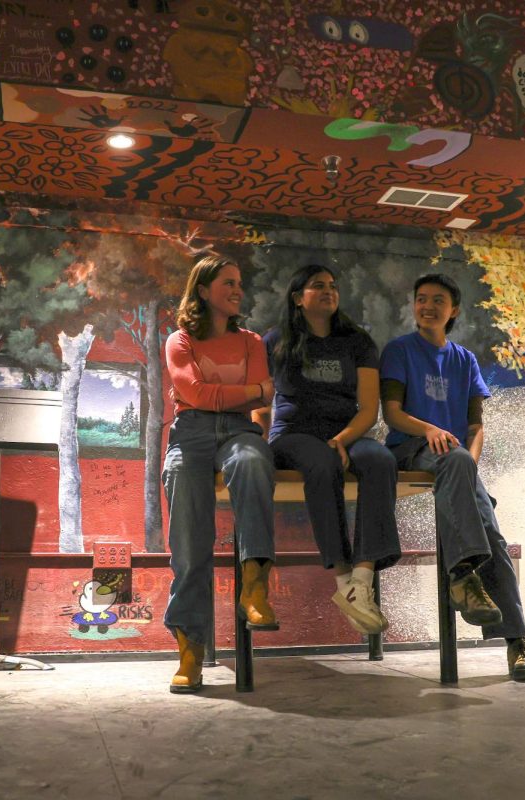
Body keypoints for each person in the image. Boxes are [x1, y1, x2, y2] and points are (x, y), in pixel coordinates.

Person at [380, 273, 525, 682]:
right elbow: (393, 414)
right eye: (421, 299)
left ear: (453, 310)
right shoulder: (399, 351)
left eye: (437, 300)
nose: (427, 306)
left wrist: (468, 464)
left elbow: (476, 427)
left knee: (495, 537)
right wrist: (429, 429)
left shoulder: (465, 360)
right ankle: (463, 577)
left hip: (455, 461)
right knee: (463, 479)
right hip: (411, 450)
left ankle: (515, 640)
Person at [255, 264, 400, 635]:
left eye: (333, 286)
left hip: (345, 431)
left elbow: (369, 408)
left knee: (381, 460)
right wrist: (258, 443)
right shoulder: (274, 341)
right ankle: (342, 577)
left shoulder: (357, 341)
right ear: (297, 298)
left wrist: (344, 438)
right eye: (317, 286)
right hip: (293, 435)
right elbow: (261, 403)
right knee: (321, 463)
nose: (328, 291)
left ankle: (360, 584)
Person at [162, 253, 276, 693]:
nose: (237, 290)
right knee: (190, 549)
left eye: (239, 283)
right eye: (227, 282)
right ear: (204, 289)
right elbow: (194, 392)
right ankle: (190, 653)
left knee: (251, 460)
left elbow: (260, 393)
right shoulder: (180, 341)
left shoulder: (251, 341)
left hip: (238, 431)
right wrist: (249, 391)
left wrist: (225, 396)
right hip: (188, 434)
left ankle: (254, 589)